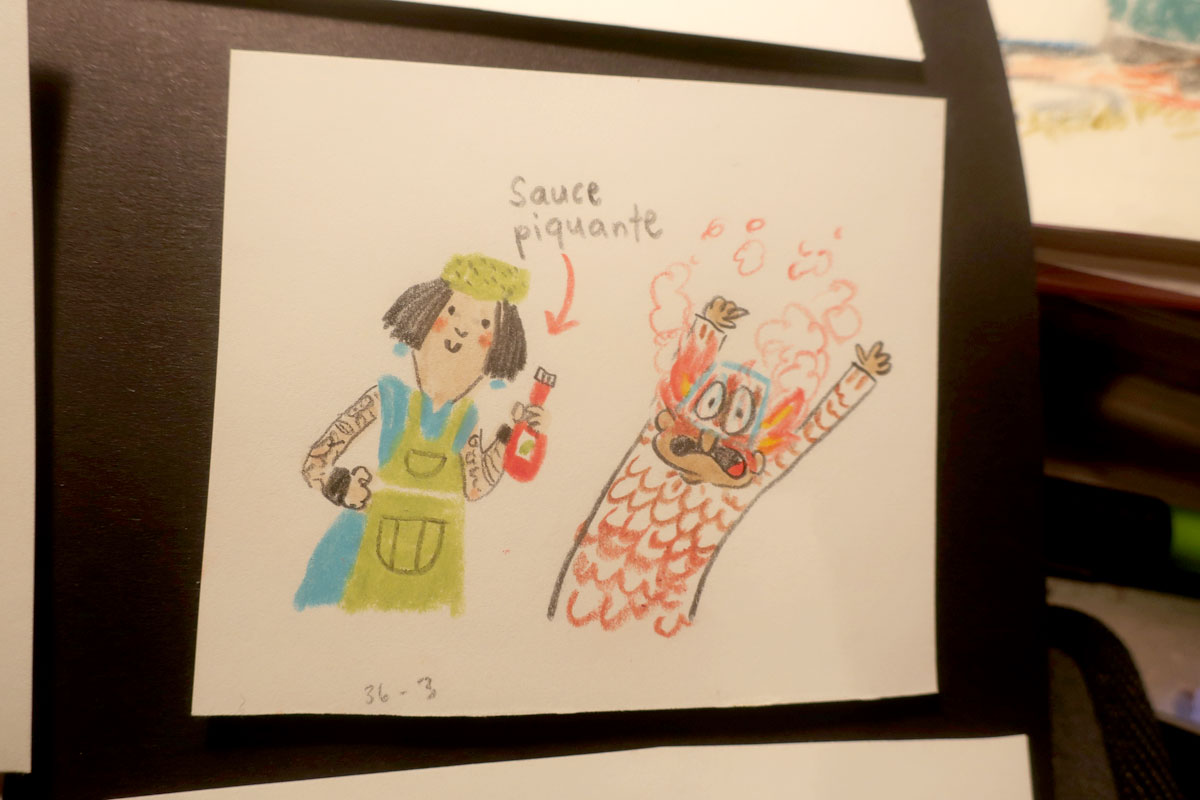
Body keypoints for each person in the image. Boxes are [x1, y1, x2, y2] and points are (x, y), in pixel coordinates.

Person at [548, 296, 890, 637]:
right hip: (577, 601)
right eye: (710, 409)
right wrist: (708, 328)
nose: (710, 440)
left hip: (663, 625)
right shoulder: (658, 441)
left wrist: (857, 380)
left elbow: (802, 439)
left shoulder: (740, 484)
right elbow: (679, 374)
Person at [295, 254, 546, 615]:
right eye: (453, 313)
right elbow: (315, 464)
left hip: (437, 568)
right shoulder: (386, 397)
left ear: (496, 352)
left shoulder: (468, 419)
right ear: (422, 320)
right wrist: (339, 486)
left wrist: (513, 435)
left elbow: (475, 487)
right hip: (363, 555)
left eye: (482, 324)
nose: (462, 331)